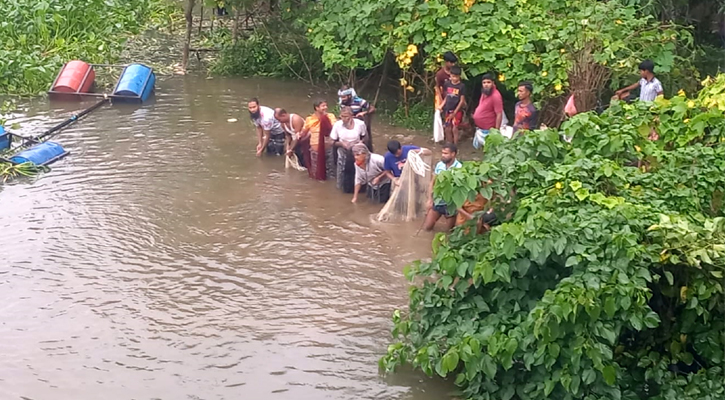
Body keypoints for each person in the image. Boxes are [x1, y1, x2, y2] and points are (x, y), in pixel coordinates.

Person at [423, 143, 462, 232]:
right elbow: (432, 182)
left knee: (449, 231)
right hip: (438, 200)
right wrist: (430, 199)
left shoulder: (459, 168)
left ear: (453, 154)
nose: (443, 155)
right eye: (442, 153)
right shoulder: (439, 165)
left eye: (446, 153)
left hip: (451, 203)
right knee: (427, 227)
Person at [331, 106, 367, 193]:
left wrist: (360, 143)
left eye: (346, 116)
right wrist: (342, 144)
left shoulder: (360, 124)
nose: (344, 119)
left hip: (357, 149)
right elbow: (331, 141)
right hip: (343, 149)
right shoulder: (337, 125)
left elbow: (365, 137)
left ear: (351, 116)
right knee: (341, 168)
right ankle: (340, 188)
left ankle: (360, 187)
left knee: (359, 168)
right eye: (342, 116)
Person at [299, 100, 337, 180]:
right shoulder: (310, 119)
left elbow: (334, 128)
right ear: (317, 108)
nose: (325, 108)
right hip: (315, 149)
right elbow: (304, 132)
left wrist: (324, 119)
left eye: (326, 105)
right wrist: (298, 135)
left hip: (328, 148)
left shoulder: (330, 116)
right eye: (323, 106)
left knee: (331, 171)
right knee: (316, 171)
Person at [472, 73, 504, 150]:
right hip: (481, 128)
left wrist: (496, 131)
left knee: (489, 149)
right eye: (484, 83)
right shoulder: (485, 92)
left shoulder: (496, 96)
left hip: (489, 129)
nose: (486, 85)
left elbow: (499, 114)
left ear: (493, 83)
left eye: (488, 82)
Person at [339, 85, 376, 151]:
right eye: (341, 97)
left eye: (344, 97)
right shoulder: (342, 103)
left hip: (360, 122)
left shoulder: (359, 101)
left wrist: (364, 113)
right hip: (348, 123)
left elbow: (372, 109)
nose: (342, 99)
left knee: (365, 140)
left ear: (349, 95)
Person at [441, 66, 466, 145]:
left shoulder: (462, 86)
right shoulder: (447, 84)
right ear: (450, 75)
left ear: (459, 76)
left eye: (456, 77)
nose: (454, 78)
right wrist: (441, 106)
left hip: (457, 111)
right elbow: (446, 96)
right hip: (447, 109)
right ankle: (449, 144)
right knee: (447, 128)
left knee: (455, 128)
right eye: (453, 76)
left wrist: (455, 112)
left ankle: (455, 145)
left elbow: (462, 101)